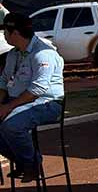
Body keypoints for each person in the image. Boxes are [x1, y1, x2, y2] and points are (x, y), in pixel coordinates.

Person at [0, 12, 65, 182]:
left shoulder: (43, 53)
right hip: (18, 101)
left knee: (11, 126)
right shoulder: (13, 54)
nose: (4, 35)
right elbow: (4, 81)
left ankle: (32, 164)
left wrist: (8, 107)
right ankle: (22, 161)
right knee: (7, 124)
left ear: (15, 33)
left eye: (5, 31)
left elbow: (38, 89)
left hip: (46, 103)